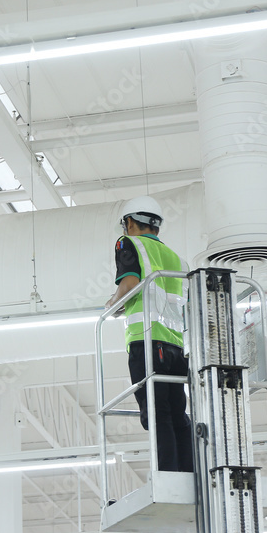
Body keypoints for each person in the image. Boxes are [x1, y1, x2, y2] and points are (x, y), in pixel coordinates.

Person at [105, 196, 193, 473]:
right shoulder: (179, 260)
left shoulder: (128, 243)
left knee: (156, 413)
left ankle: (167, 473)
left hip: (146, 341)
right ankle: (187, 471)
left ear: (129, 222)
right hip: (177, 348)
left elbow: (130, 282)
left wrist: (114, 305)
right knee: (178, 412)